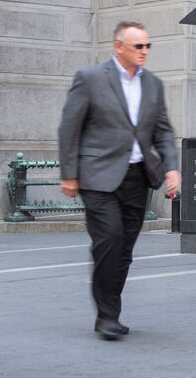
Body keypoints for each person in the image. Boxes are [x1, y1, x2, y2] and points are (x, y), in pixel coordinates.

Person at [58, 21, 181, 340]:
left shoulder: (153, 84)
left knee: (124, 247)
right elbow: (69, 128)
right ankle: (106, 315)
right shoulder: (90, 78)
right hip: (97, 176)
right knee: (109, 239)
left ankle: (110, 309)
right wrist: (69, 174)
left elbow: (164, 131)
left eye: (147, 46)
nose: (144, 52)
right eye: (138, 46)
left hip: (138, 178)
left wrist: (172, 167)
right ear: (119, 46)